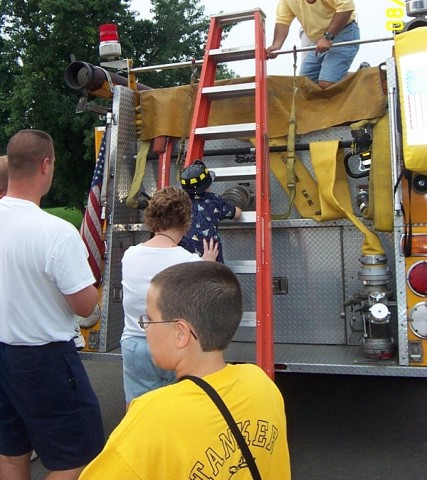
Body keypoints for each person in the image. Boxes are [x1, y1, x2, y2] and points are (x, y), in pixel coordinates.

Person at [80, 260, 291, 479]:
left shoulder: (152, 415)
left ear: (181, 333)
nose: (146, 328)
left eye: (150, 319)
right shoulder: (263, 385)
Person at [0, 129, 105, 480]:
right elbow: (84, 305)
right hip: (44, 358)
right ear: (46, 165)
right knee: (76, 458)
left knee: (11, 453)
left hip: (2, 353)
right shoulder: (55, 232)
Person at [121, 185, 218, 408]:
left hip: (134, 343)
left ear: (152, 218)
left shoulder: (130, 254)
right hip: (173, 345)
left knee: (138, 408)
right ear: (185, 222)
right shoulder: (189, 261)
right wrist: (208, 264)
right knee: (176, 408)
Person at [267, 0, 360, 89]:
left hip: (343, 33)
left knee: (326, 84)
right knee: (303, 87)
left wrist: (328, 37)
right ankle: (339, 76)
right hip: (317, 42)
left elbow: (346, 7)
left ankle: (362, 76)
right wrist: (276, 46)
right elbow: (283, 19)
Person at [179, 159, 242, 263]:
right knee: (216, 273)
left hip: (184, 251)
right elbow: (236, 213)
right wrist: (239, 206)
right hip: (209, 250)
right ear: (208, 184)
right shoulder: (214, 200)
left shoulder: (179, 201)